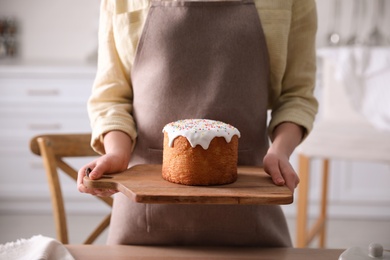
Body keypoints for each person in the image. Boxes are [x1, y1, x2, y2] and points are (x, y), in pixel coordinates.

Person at [77, 0, 318, 247]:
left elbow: (296, 95)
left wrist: (279, 151)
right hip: (142, 218)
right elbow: (111, 97)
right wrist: (117, 151)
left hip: (251, 208)